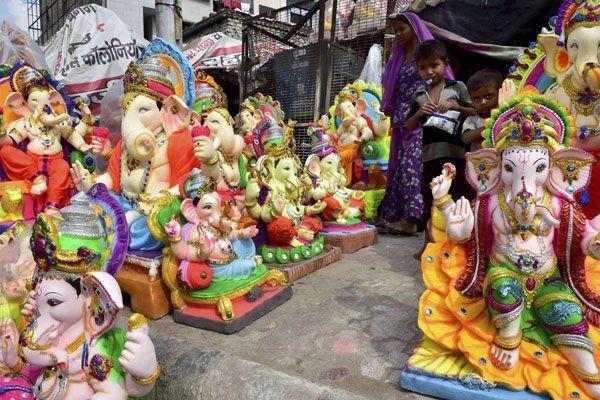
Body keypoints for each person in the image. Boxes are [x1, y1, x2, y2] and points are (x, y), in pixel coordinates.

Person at [378, 13, 454, 235]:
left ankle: (411, 221)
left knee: (412, 168)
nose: (399, 33)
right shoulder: (399, 58)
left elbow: (442, 82)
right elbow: (397, 90)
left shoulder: (427, 57)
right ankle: (396, 216)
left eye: (403, 29)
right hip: (403, 121)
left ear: (414, 28)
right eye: (397, 30)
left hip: (423, 120)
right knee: (399, 169)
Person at [405, 39, 476, 256]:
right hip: (430, 156)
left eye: (434, 65)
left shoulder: (458, 87)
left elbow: (475, 112)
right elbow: (408, 125)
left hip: (456, 155)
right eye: (423, 67)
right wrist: (419, 113)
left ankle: (461, 246)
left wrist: (456, 106)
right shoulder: (418, 95)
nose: (429, 71)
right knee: (430, 198)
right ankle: (429, 245)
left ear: (445, 64)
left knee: (458, 195)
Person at [462, 69, 503, 152]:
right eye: (477, 99)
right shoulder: (473, 119)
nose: (483, 102)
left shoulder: (508, 115)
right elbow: (466, 138)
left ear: (500, 92)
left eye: (488, 96)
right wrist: (493, 125)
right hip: (481, 163)